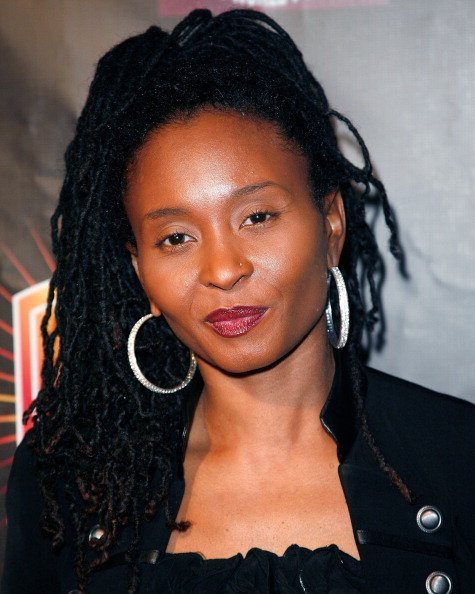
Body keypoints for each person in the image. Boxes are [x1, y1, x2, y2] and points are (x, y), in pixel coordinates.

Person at [2, 8, 474, 594]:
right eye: (176, 237)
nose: (223, 270)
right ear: (137, 266)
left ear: (331, 224)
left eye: (257, 216)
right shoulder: (68, 485)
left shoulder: (459, 460)